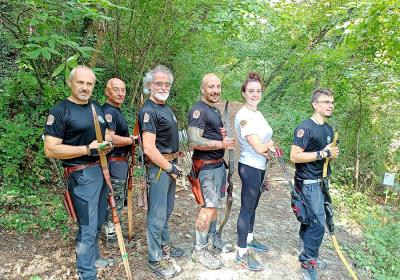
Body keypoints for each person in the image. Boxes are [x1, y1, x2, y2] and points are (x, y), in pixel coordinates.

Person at [44, 65, 113, 280]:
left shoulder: (96, 108)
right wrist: (86, 149)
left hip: (101, 171)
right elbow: (50, 149)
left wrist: (106, 144)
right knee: (88, 225)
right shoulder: (60, 111)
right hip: (81, 175)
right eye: (80, 82)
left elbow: (104, 135)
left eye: (89, 83)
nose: (85, 87)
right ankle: (86, 273)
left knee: (98, 220)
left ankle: (93, 258)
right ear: (70, 83)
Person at [138, 65, 184, 279]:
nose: (163, 87)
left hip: (168, 166)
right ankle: (155, 258)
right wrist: (170, 167)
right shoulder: (149, 110)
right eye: (158, 83)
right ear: (149, 86)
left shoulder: (165, 108)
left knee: (166, 211)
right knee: (157, 215)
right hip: (159, 168)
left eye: (166, 84)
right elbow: (148, 148)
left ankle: (165, 246)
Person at [290, 88, 339, 280]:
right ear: (315, 104)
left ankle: (306, 250)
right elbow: (294, 156)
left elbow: (327, 157)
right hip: (307, 183)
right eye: (326, 102)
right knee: (318, 223)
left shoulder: (328, 129)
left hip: (321, 182)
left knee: (310, 219)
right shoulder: (305, 128)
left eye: (332, 102)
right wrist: (322, 154)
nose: (330, 105)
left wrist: (331, 155)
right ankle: (308, 260)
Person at [188, 73, 236, 270]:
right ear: (202, 89)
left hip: (217, 166)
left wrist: (219, 134)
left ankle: (213, 238)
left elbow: (209, 134)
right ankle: (199, 250)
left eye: (218, 86)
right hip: (205, 168)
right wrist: (221, 142)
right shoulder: (198, 111)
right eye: (211, 87)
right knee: (207, 208)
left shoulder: (213, 110)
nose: (216, 90)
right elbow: (194, 141)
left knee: (214, 206)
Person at [234, 72, 275, 271]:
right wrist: (266, 147)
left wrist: (267, 147)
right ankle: (241, 252)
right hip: (250, 166)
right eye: (251, 91)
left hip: (260, 166)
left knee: (253, 207)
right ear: (243, 93)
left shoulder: (257, 113)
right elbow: (258, 147)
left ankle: (249, 239)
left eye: (258, 91)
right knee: (246, 209)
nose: (255, 94)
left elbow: (269, 141)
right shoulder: (243, 116)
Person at [102, 78, 136, 246]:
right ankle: (112, 237)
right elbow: (109, 138)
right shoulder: (109, 111)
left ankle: (114, 232)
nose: (121, 93)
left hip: (120, 162)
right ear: (107, 92)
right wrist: (131, 140)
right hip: (114, 162)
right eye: (116, 90)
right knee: (114, 198)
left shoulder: (116, 110)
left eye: (123, 90)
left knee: (117, 197)